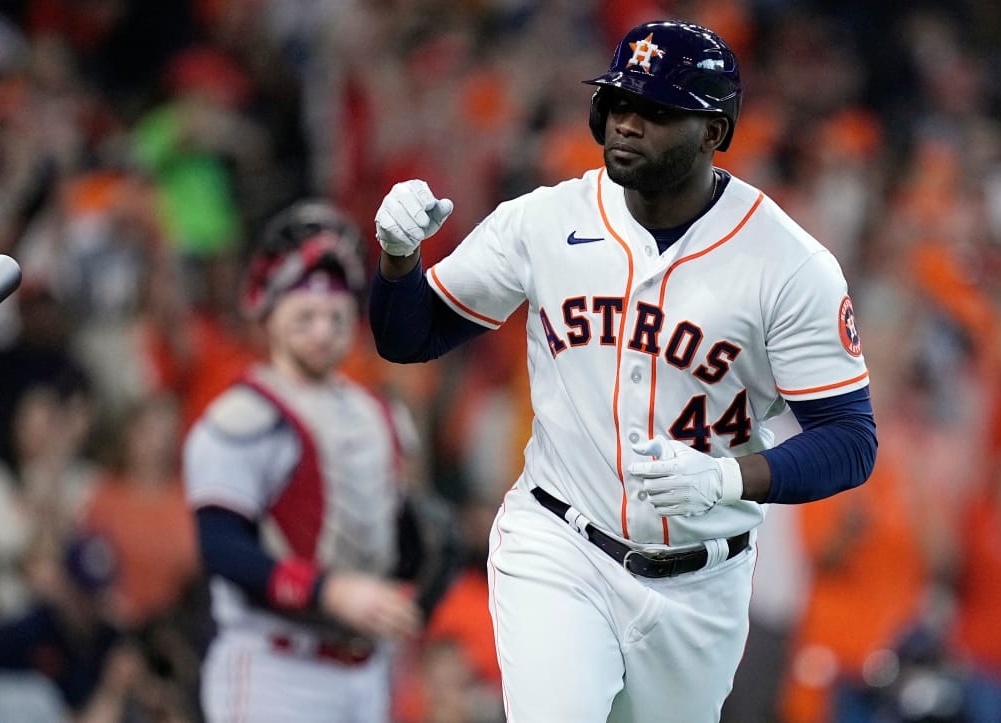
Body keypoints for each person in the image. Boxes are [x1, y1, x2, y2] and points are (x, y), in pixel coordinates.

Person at [369, 19, 878, 722]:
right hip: (559, 543)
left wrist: (727, 478)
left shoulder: (788, 265)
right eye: (619, 103)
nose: (628, 124)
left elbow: (851, 441)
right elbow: (409, 335)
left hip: (702, 584)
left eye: (657, 111)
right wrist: (399, 258)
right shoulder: (546, 221)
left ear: (713, 131)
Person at [183, 200, 438, 722]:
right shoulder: (243, 416)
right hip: (276, 666)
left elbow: (399, 532)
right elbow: (221, 547)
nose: (322, 331)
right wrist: (328, 590)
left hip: (365, 668)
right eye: (305, 316)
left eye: (335, 316)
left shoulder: (377, 412)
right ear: (268, 313)